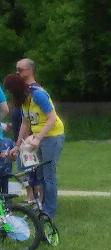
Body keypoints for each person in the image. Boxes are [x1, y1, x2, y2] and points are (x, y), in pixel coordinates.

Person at [14, 58, 65, 219]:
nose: (17, 73)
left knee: (49, 175)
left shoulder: (38, 94)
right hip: (39, 137)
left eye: (20, 70)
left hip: (52, 136)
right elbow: (25, 123)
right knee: (40, 175)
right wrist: (17, 145)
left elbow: (52, 118)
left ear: (30, 71)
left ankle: (49, 213)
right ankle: (41, 207)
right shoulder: (25, 96)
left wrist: (38, 139)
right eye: (16, 69)